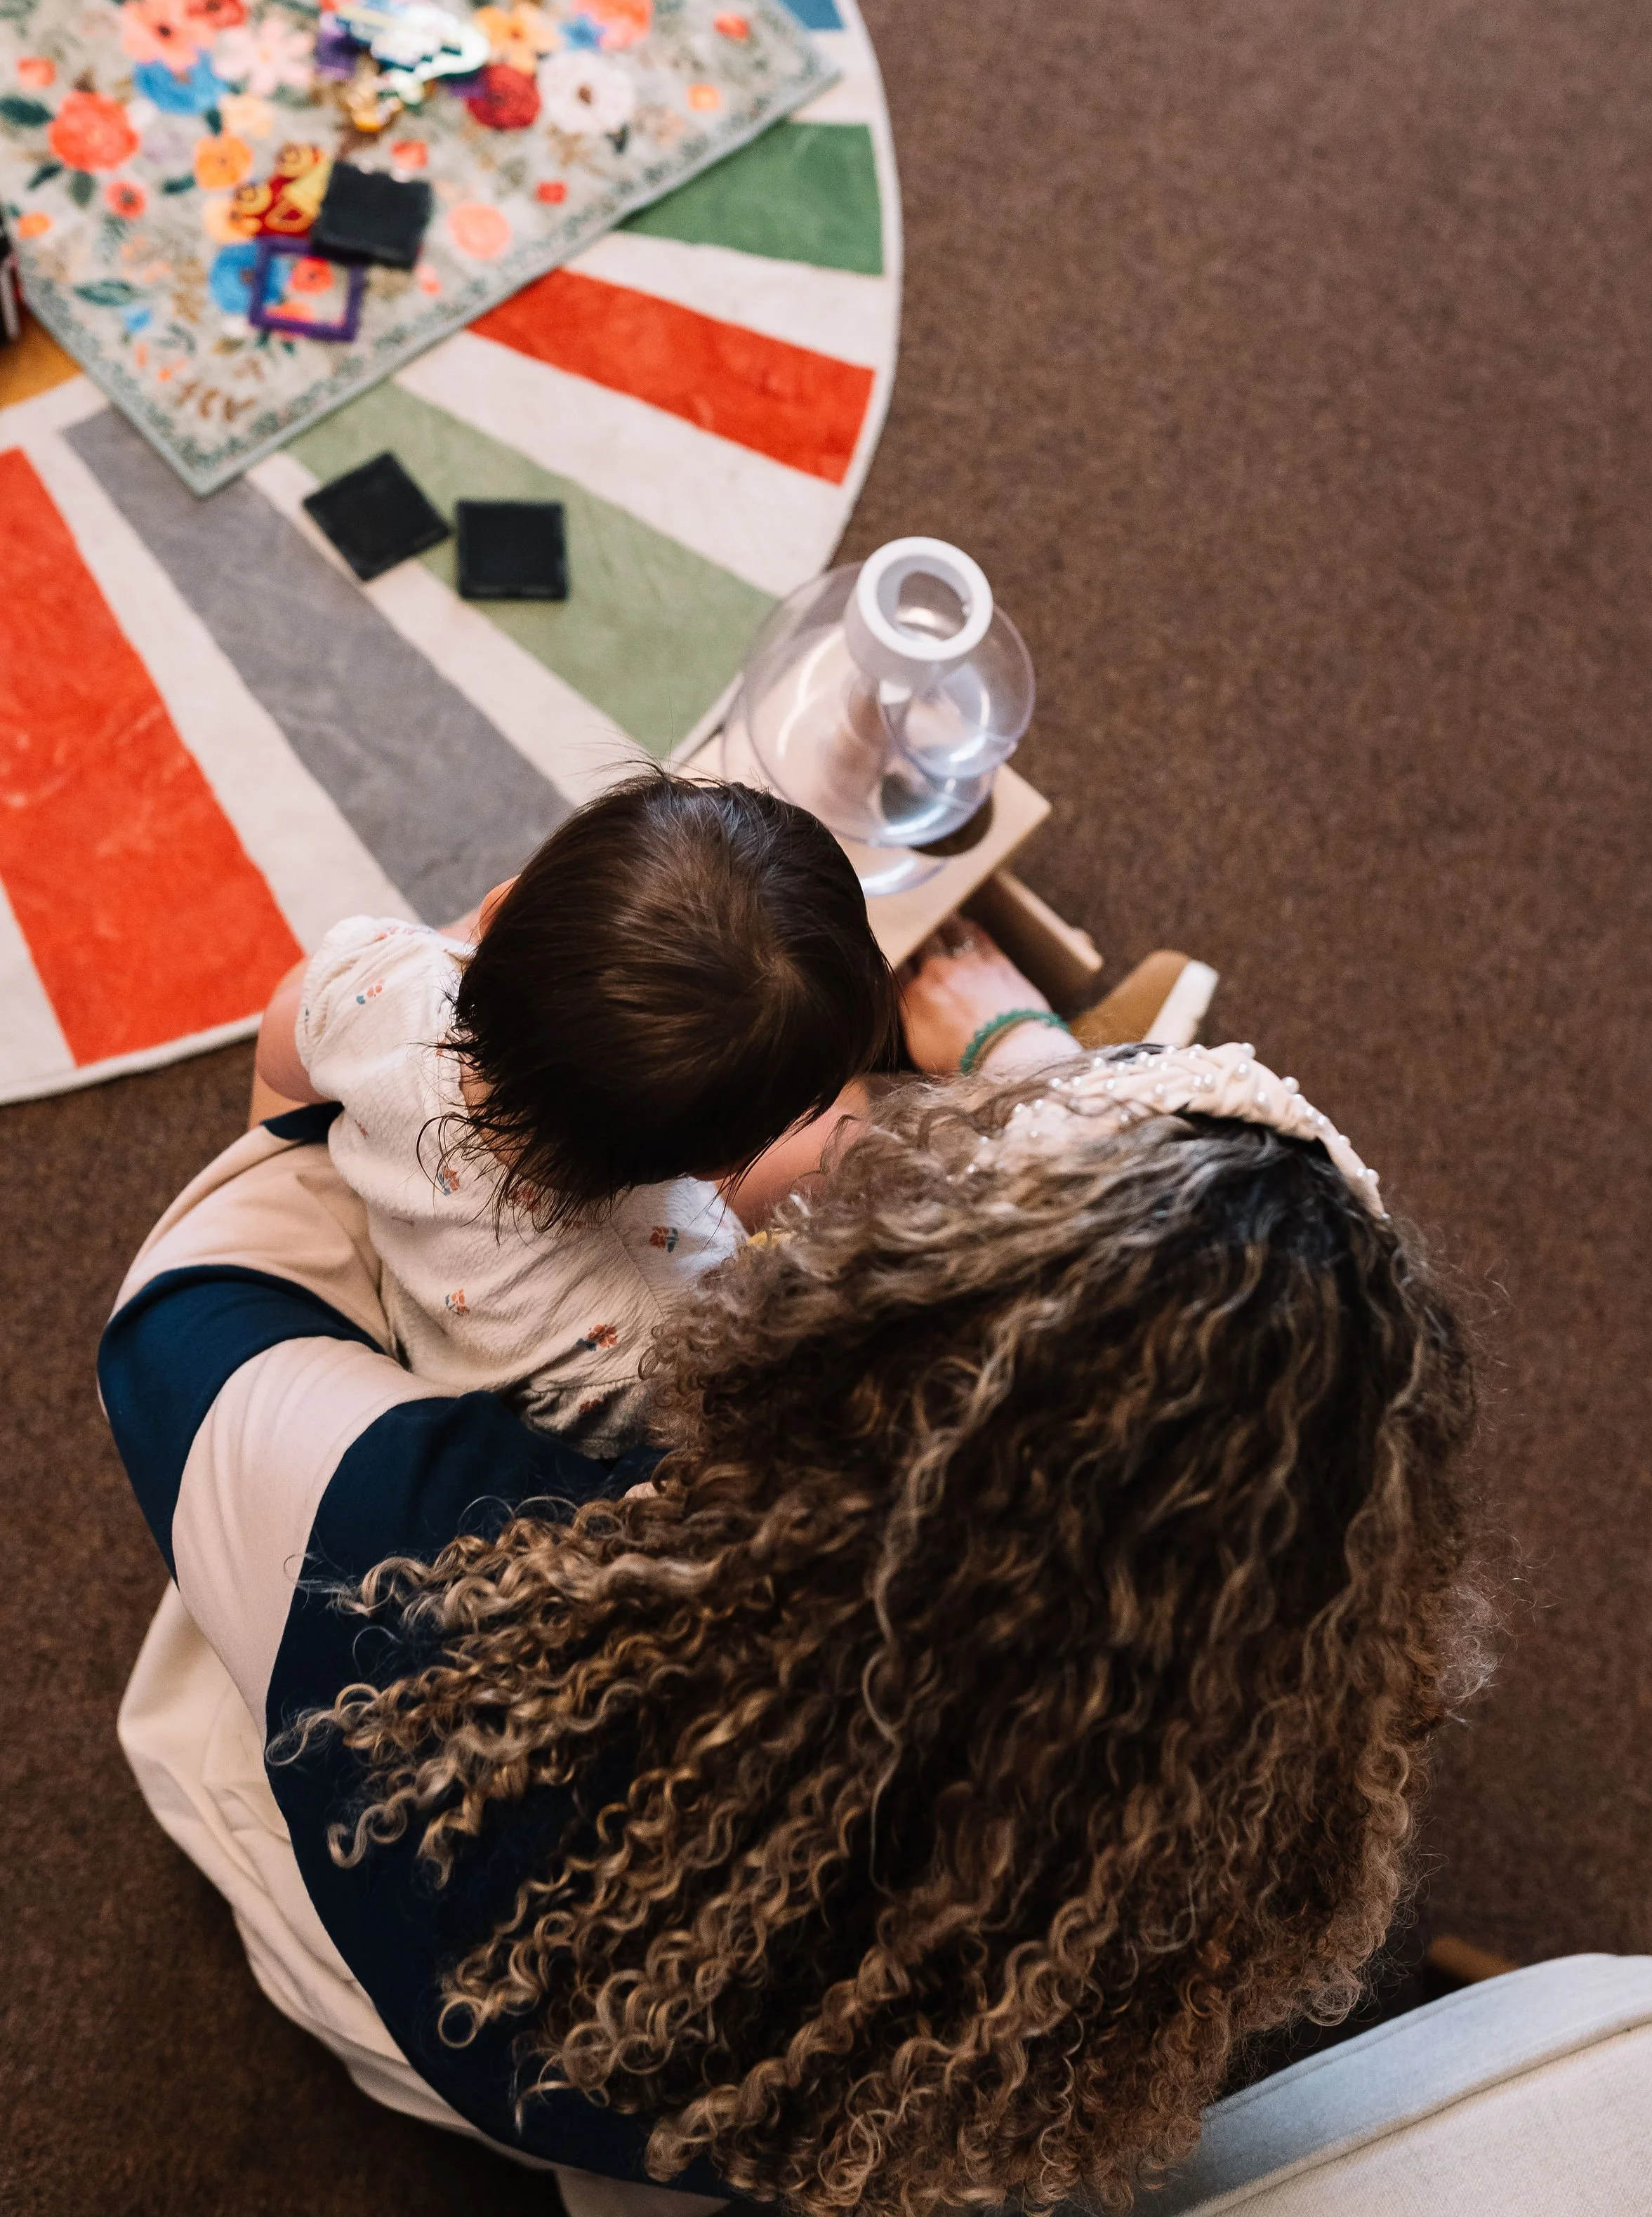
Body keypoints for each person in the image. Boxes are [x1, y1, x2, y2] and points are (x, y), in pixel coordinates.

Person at [103, 936, 1476, 2217]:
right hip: (799, 2127)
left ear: (846, 1330)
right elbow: (1204, 1390)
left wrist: (433, 1012)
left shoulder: (424, 1561)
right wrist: (1019, 1051)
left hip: (425, 1947)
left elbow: (182, 1311)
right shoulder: (1230, 1785)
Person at [251, 774, 900, 1447]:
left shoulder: (383, 986)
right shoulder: (672, 1310)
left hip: (416, 1302)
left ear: (498, 910)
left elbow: (282, 1043)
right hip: (507, 1396)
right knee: (853, 1124)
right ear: (720, 1163)